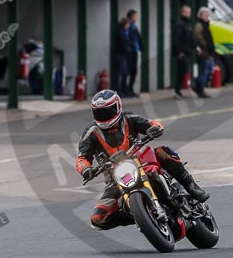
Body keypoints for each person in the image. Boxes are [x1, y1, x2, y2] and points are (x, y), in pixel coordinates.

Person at [76, 89, 210, 230]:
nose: (104, 116)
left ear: (117, 107)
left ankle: (191, 186)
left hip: (142, 162)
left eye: (107, 111)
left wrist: (155, 128)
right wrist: (86, 169)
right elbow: (82, 158)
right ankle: (139, 215)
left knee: (162, 151)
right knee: (97, 219)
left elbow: (151, 123)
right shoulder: (90, 133)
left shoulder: (128, 118)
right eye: (99, 112)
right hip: (115, 179)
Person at [173, 5, 196, 98]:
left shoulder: (186, 24)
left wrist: (195, 46)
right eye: (187, 12)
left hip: (185, 51)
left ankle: (178, 91)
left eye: (189, 12)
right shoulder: (180, 24)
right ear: (183, 12)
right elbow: (177, 39)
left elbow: (189, 38)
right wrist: (179, 52)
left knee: (183, 71)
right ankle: (177, 91)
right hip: (181, 53)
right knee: (182, 71)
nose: (189, 14)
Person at [193, 7, 215, 99]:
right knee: (203, 72)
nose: (206, 16)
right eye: (205, 15)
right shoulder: (199, 25)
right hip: (203, 52)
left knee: (209, 69)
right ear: (200, 15)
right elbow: (198, 38)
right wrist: (204, 46)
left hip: (208, 52)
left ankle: (198, 87)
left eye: (207, 15)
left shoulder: (206, 25)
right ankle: (200, 89)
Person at [114, 18, 132, 97]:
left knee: (123, 73)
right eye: (128, 24)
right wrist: (128, 50)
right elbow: (123, 44)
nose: (129, 25)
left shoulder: (122, 32)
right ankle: (118, 90)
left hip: (122, 54)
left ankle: (122, 90)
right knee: (120, 73)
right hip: (121, 55)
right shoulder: (121, 32)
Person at [126, 9, 142, 96]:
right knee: (131, 70)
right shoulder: (130, 26)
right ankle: (128, 89)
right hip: (131, 51)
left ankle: (130, 89)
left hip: (134, 50)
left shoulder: (133, 26)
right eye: (136, 16)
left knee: (133, 71)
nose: (137, 18)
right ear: (132, 17)